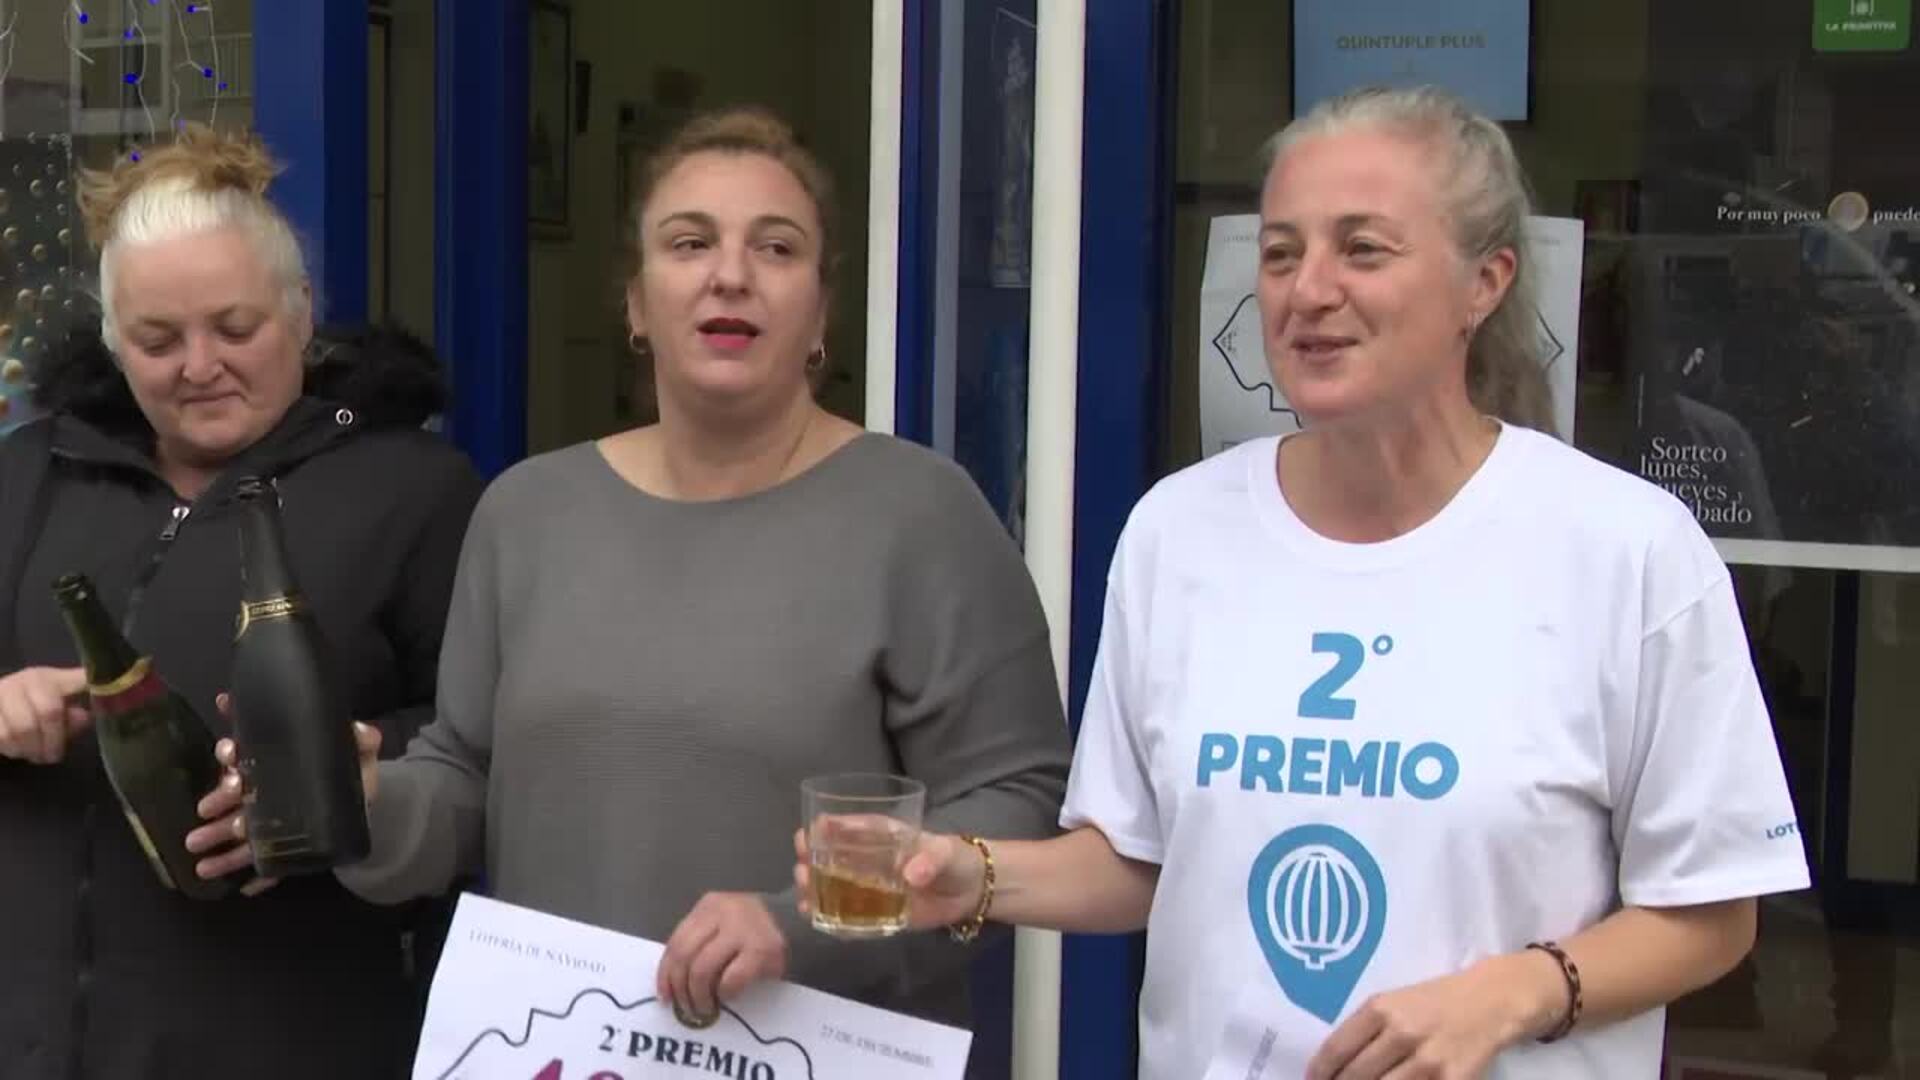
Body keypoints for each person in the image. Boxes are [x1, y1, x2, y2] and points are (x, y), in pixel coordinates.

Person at [794, 86, 1812, 1079]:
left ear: (1485, 281)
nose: (1308, 290)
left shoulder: (1625, 548)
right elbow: (1139, 861)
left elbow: (1714, 911)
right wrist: (969, 873)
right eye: (1281, 253)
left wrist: (1509, 995)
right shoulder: (1178, 532)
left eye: (1362, 249)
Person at [215, 105, 1071, 1031]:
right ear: (635, 303)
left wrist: (803, 927)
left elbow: (1016, 805)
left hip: (815, 1047)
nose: (730, 275)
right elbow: (464, 778)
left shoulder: (920, 515)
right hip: (568, 1044)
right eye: (690, 243)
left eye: (777, 248)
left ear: (822, 312)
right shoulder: (527, 513)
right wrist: (361, 800)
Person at [0, 126, 484, 1078]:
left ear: (301, 316)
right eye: (158, 340)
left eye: (235, 329)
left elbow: (472, 748)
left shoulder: (415, 491)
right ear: (113, 343)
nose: (199, 365)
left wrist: (346, 772)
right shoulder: (28, 475)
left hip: (294, 1031)